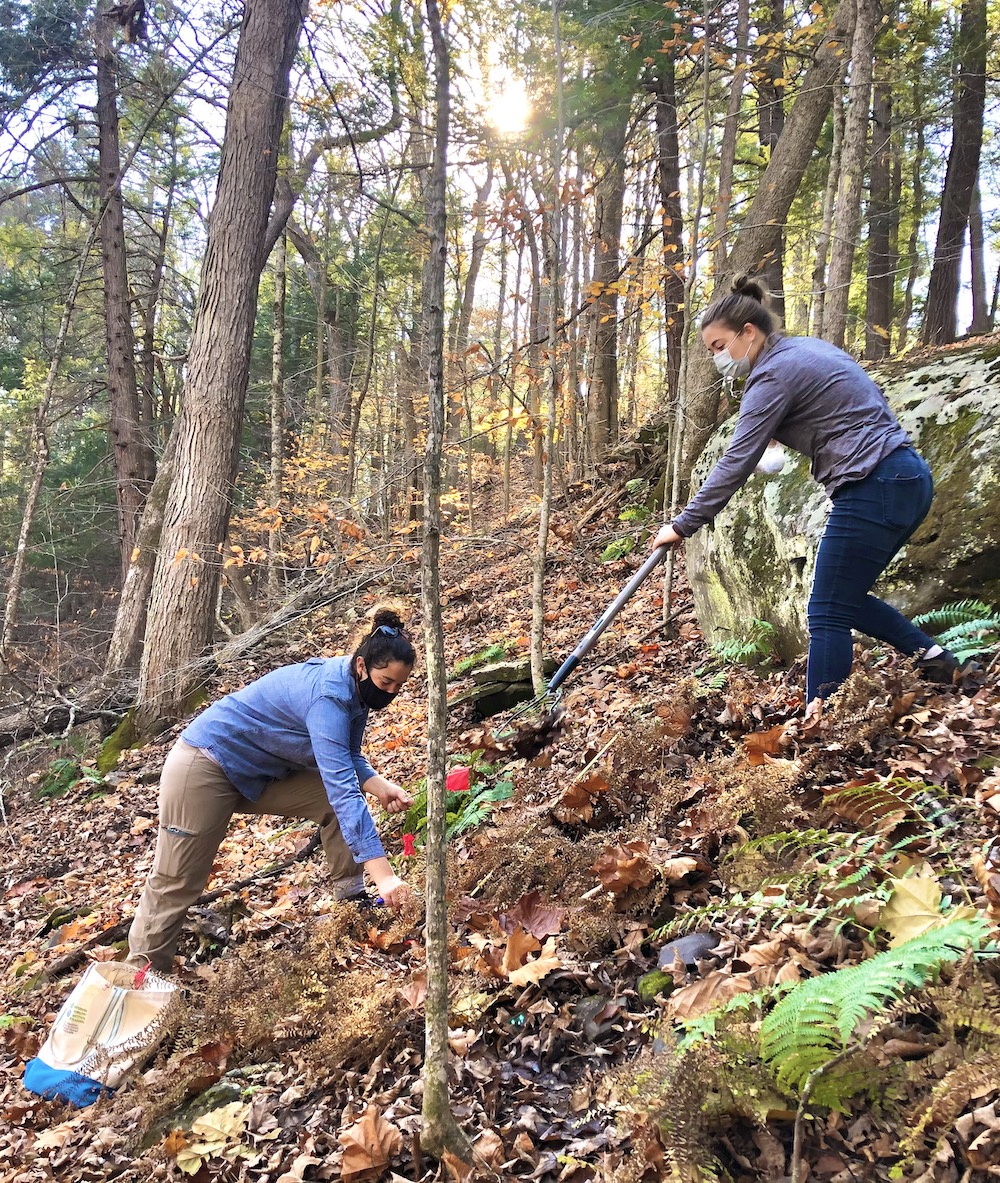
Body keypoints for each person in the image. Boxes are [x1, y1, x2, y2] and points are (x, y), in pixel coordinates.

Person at [650, 276, 970, 725]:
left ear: (748, 332)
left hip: (872, 482)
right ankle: (938, 661)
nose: (717, 357)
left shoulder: (773, 372)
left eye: (718, 345)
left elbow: (736, 459)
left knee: (825, 609)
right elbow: (839, 407)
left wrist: (683, 524)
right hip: (905, 476)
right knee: (845, 596)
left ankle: (823, 723)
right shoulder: (806, 351)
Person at [128, 607, 417, 972]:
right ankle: (141, 978)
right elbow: (342, 785)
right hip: (204, 766)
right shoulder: (329, 698)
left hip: (257, 773)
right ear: (362, 666)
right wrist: (386, 877)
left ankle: (352, 902)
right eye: (385, 682)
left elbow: (347, 757)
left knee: (330, 801)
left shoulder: (354, 692)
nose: (390, 693)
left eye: (398, 686)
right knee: (179, 878)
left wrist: (379, 786)